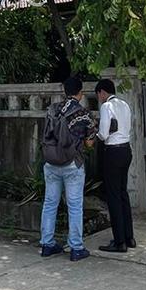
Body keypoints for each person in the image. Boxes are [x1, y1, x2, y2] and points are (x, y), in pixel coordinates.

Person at [40, 76, 97, 262]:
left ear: (64, 91)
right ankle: (76, 248)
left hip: (51, 162)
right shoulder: (83, 114)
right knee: (74, 206)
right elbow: (89, 144)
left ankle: (47, 244)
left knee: (50, 204)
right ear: (80, 93)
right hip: (72, 164)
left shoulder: (52, 109)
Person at [95, 78, 135, 253]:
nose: (99, 99)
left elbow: (103, 134)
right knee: (122, 194)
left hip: (112, 152)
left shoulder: (106, 106)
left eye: (98, 95)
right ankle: (129, 237)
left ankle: (119, 242)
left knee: (113, 197)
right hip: (126, 150)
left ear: (102, 92)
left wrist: (95, 136)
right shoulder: (124, 105)